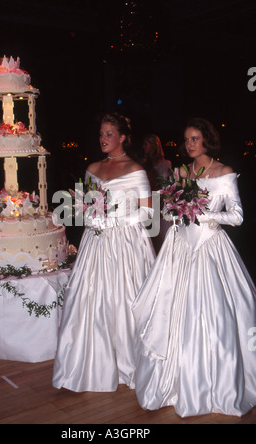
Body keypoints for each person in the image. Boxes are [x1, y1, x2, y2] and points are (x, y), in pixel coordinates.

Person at [133, 117, 256, 417]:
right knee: (172, 309)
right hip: (180, 249)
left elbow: (237, 216)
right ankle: (174, 381)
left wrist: (208, 217)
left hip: (211, 248)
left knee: (214, 314)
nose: (189, 145)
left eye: (195, 139)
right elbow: (167, 210)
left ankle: (216, 384)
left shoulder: (224, 172)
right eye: (186, 139)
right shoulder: (180, 172)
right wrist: (174, 209)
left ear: (207, 140)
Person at [53, 112, 156, 392]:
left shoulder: (136, 169)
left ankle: (130, 361)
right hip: (96, 241)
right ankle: (91, 363)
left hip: (126, 242)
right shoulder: (92, 168)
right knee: (90, 300)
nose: (103, 138)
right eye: (101, 133)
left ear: (123, 137)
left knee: (124, 298)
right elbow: (83, 205)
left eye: (109, 133)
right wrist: (86, 213)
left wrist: (116, 219)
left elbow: (148, 211)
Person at [141, 133, 172, 253]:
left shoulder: (165, 164)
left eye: (146, 144)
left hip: (159, 205)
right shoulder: (143, 164)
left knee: (162, 242)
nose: (143, 147)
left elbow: (166, 187)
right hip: (146, 205)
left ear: (154, 145)